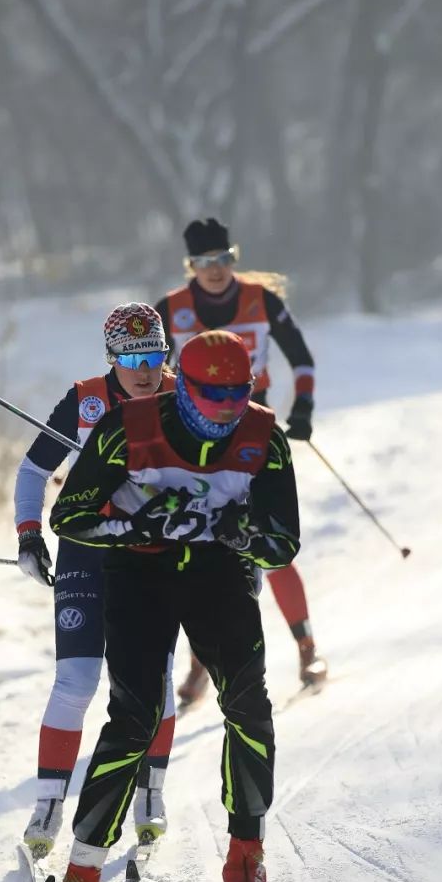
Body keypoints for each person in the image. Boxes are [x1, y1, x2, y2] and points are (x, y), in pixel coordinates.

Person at [43, 328, 301, 882]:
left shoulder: (264, 437)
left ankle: (247, 856)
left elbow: (283, 542)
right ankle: (83, 874)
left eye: (237, 393)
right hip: (141, 574)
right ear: (181, 385)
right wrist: (135, 526)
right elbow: (70, 516)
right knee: (134, 718)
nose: (224, 409)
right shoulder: (127, 426)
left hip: (219, 577)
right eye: (212, 395)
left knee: (248, 706)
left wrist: (239, 533)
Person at [15, 302, 177, 864]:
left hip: (153, 553)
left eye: (153, 355)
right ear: (112, 359)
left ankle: (150, 797)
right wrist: (30, 535)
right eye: (131, 357)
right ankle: (48, 807)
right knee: (77, 682)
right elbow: (34, 470)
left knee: (153, 681)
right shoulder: (85, 400)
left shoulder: (182, 399)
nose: (144, 369)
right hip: (85, 547)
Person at [155, 217, 326, 702]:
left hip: (256, 435)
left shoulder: (260, 299)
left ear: (234, 256)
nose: (215, 270)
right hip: (193, 446)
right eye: (204, 263)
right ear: (191, 265)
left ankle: (306, 647)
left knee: (269, 541)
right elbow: (150, 379)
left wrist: (305, 408)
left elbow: (302, 358)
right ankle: (200, 665)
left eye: (223, 259)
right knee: (199, 550)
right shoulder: (171, 310)